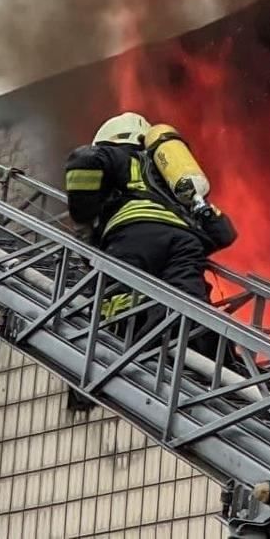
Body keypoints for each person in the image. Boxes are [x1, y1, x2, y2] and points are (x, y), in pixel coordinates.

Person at [64, 112, 237, 358]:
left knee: (119, 297)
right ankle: (203, 360)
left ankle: (137, 353)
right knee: (189, 306)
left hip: (134, 236)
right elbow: (224, 234)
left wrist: (84, 218)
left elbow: (83, 160)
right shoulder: (174, 182)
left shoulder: (115, 154)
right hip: (184, 243)